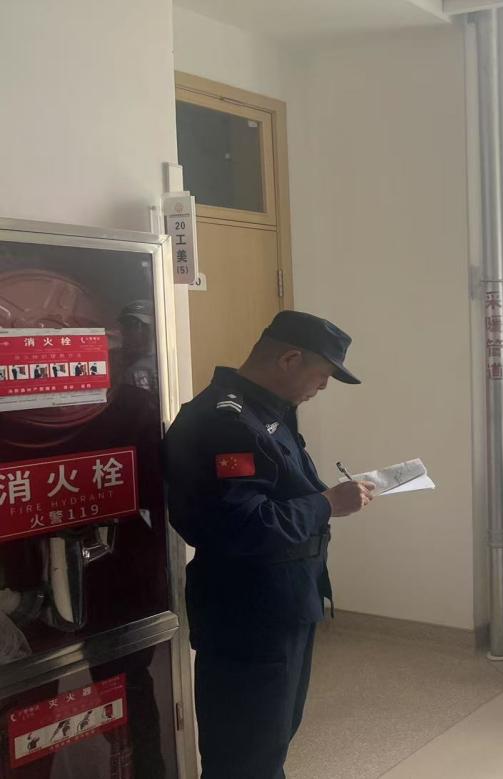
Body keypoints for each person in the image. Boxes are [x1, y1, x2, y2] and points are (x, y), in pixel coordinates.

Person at [163, 311, 377, 778]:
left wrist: (322, 502)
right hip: (250, 613)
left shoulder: (266, 413)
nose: (322, 387)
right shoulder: (228, 423)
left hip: (282, 604)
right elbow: (244, 526)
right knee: (245, 751)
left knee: (269, 739)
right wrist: (327, 504)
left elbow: (278, 495)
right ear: (290, 359)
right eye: (321, 375)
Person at [116, 300, 159, 394]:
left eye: (137, 326)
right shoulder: (117, 358)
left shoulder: (160, 360)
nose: (132, 331)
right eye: (127, 325)